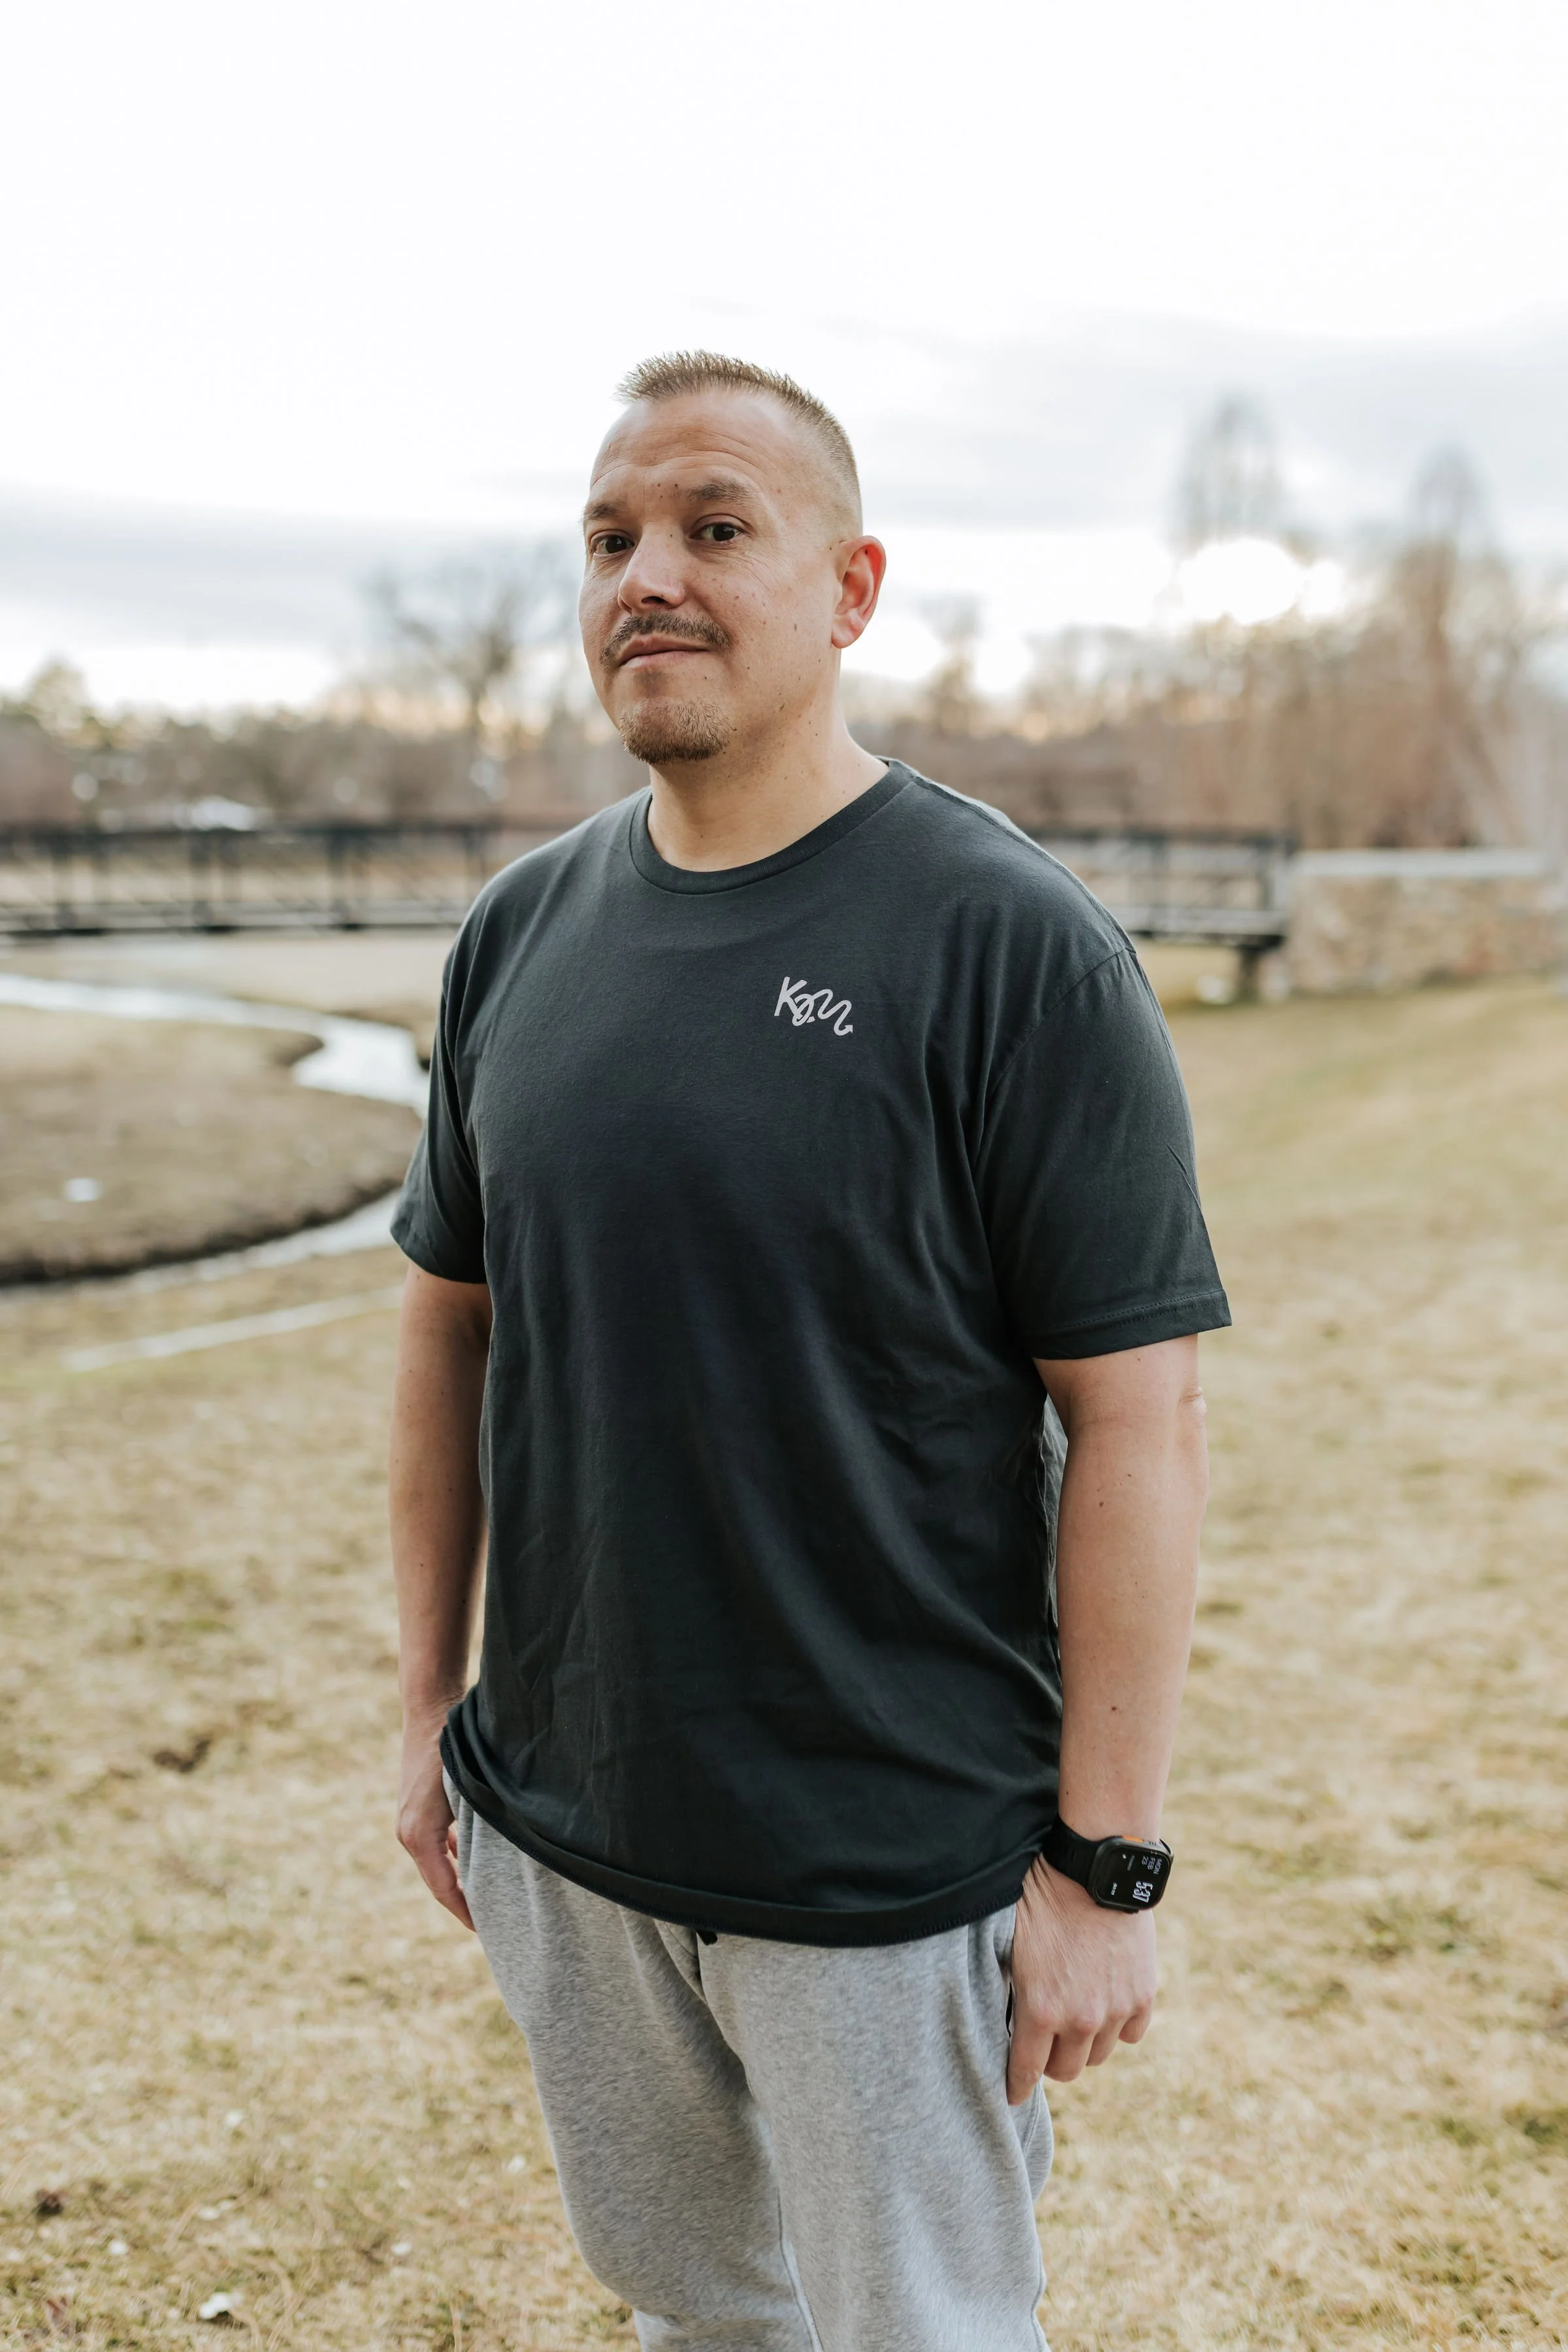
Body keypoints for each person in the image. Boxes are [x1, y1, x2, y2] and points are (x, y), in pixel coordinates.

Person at [389, 351, 1227, 2352]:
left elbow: (1141, 1425)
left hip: (886, 1868)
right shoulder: (517, 937)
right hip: (572, 1832)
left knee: (916, 2326)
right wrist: (431, 1709)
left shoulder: (1009, 944)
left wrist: (1105, 1867)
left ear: (851, 589)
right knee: (697, 2310)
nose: (646, 578)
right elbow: (446, 1335)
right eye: (610, 539)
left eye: (712, 528)